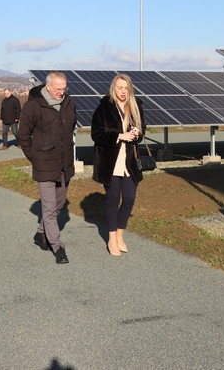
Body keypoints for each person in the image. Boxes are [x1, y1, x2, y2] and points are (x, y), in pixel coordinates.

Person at [18, 71, 77, 265]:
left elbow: (71, 129)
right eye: (58, 89)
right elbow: (23, 136)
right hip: (44, 164)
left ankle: (40, 233)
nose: (62, 92)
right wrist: (35, 157)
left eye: (64, 88)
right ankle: (58, 247)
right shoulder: (33, 106)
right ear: (48, 87)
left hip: (64, 164)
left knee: (59, 204)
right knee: (49, 208)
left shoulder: (69, 103)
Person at [91, 74, 146, 256]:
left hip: (129, 162)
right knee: (113, 200)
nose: (123, 91)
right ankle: (112, 239)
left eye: (126, 88)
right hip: (110, 161)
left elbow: (142, 130)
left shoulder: (136, 106)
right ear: (113, 88)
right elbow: (96, 134)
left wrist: (137, 134)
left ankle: (120, 235)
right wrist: (119, 136)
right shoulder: (104, 107)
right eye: (120, 87)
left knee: (129, 199)